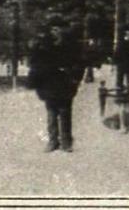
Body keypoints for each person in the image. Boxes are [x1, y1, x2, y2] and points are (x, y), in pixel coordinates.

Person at [27, 15, 85, 153]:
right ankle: (53, 141)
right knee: (51, 113)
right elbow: (36, 64)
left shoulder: (72, 45)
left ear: (64, 30)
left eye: (59, 28)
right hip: (49, 83)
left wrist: (76, 79)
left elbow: (80, 63)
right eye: (53, 29)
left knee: (65, 112)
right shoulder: (44, 45)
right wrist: (38, 84)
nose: (56, 31)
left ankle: (66, 142)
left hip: (66, 82)